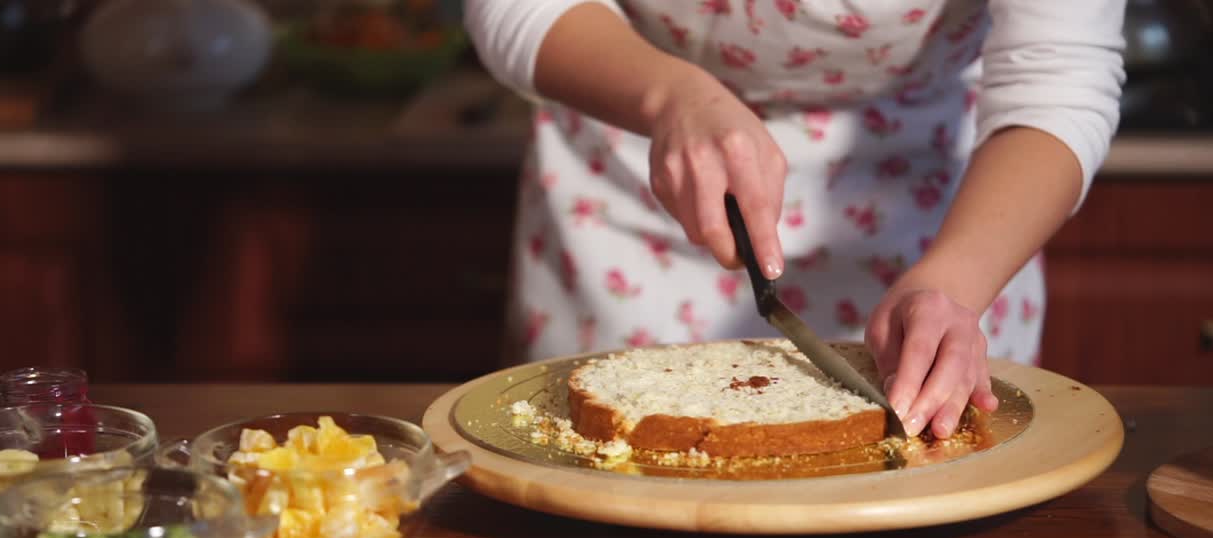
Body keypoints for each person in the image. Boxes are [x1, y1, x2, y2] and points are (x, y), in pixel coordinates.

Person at [465, 0, 1124, 438]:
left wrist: (953, 283)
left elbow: (1059, 80)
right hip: (631, 182)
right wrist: (671, 98)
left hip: (941, 208)